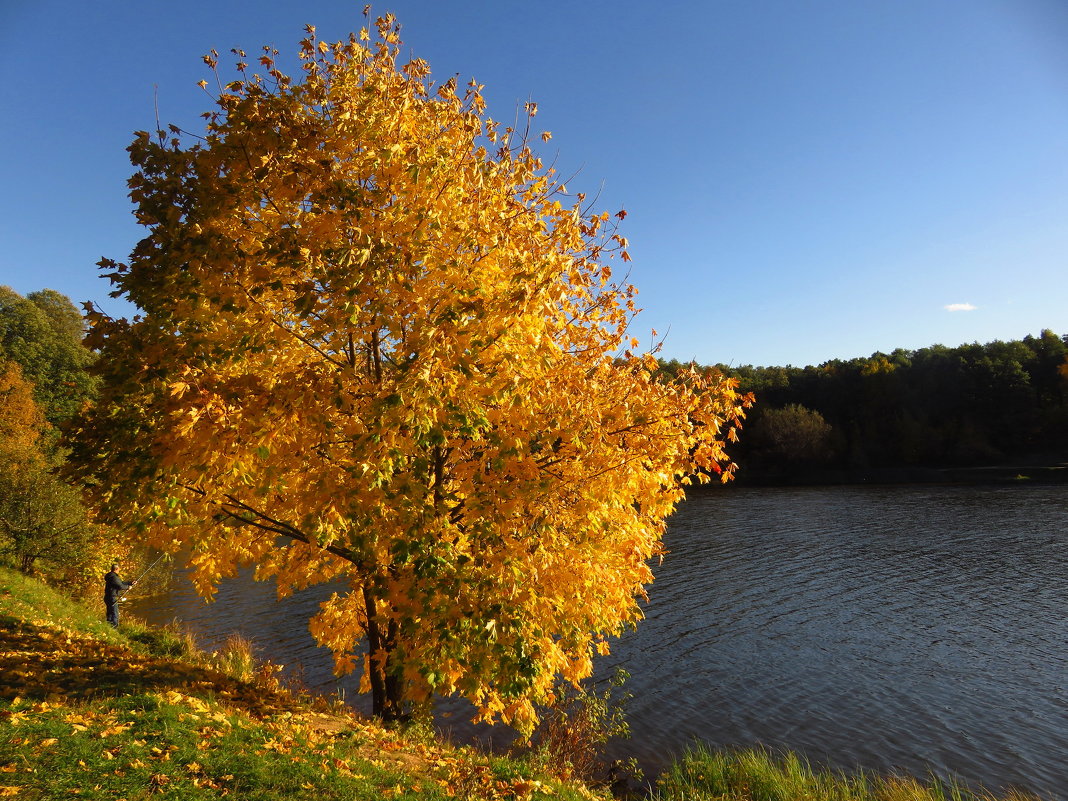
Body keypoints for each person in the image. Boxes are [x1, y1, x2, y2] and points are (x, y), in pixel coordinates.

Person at [104, 563, 134, 628]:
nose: (119, 570)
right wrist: (127, 587)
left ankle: (108, 626)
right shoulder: (114, 577)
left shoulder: (110, 576)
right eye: (119, 569)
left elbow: (121, 582)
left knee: (110, 613)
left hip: (108, 597)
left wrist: (130, 583)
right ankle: (114, 627)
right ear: (117, 569)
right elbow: (120, 586)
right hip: (112, 598)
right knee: (115, 614)